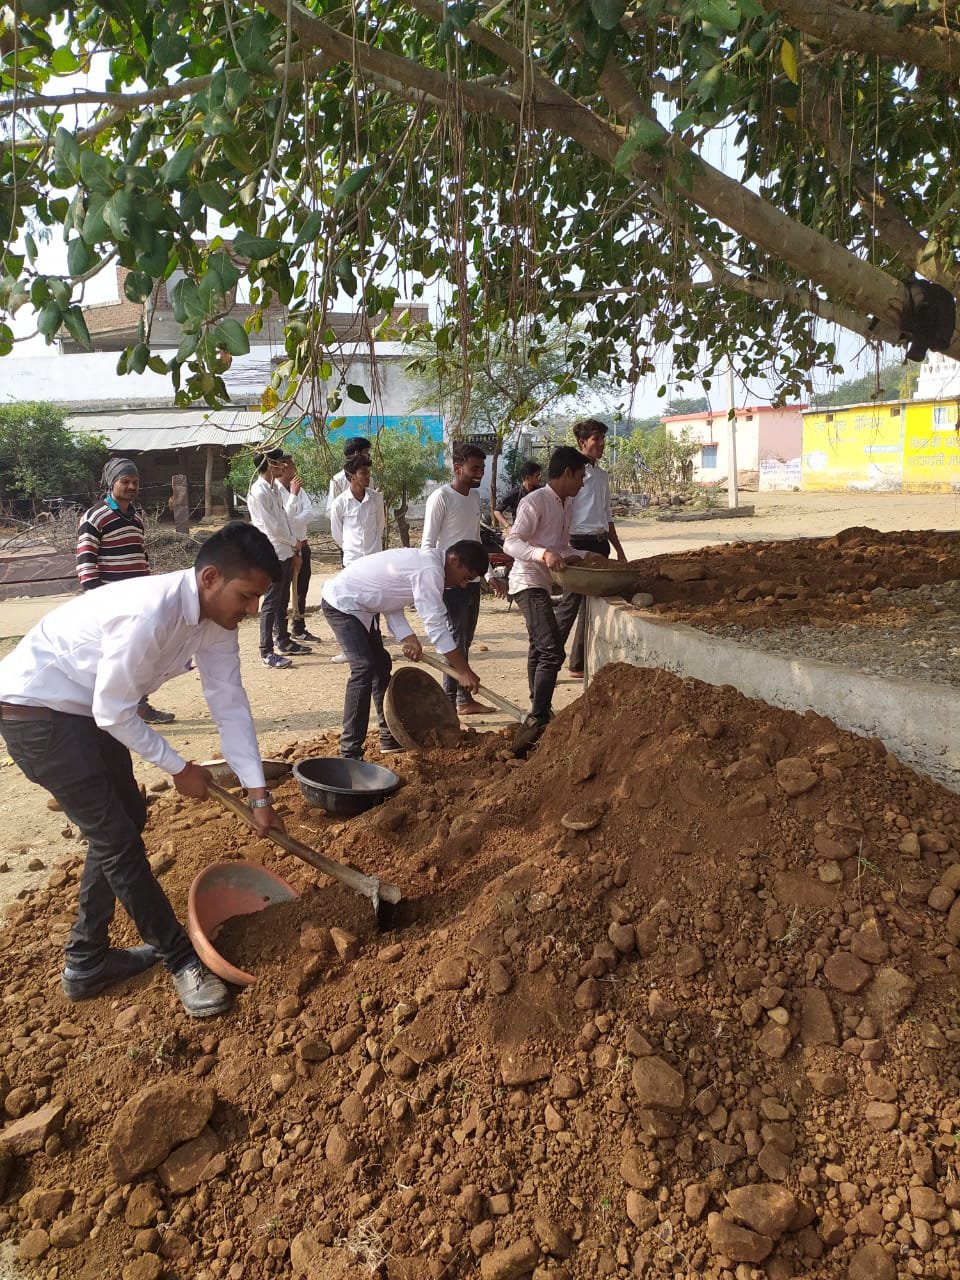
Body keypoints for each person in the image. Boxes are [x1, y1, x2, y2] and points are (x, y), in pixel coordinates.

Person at [0, 522, 285, 1018]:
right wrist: (179, 767)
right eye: (246, 596)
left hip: (83, 710)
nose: (252, 609)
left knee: (126, 818)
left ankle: (86, 962)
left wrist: (258, 793)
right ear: (210, 578)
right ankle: (180, 959)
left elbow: (229, 701)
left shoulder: (215, 621)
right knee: (115, 837)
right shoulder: (150, 613)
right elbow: (113, 711)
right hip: (35, 711)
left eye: (259, 598)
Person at [321, 541, 487, 760]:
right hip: (342, 603)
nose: (463, 585)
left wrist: (409, 639)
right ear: (454, 560)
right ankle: (350, 752)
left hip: (363, 608)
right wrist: (463, 670)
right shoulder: (430, 570)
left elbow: (390, 601)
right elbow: (436, 627)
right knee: (364, 668)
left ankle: (389, 737)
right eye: (465, 577)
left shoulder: (427, 565)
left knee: (381, 667)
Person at [504, 446, 606, 752]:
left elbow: (562, 545)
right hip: (527, 582)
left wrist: (586, 555)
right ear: (567, 473)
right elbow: (511, 543)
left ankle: (538, 709)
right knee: (551, 650)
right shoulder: (534, 502)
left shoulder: (567, 503)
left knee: (540, 647)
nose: (583, 484)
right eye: (580, 477)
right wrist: (543, 554)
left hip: (543, 583)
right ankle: (539, 716)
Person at [76, 457, 175, 725]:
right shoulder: (95, 516)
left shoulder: (136, 518)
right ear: (112, 483)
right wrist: (96, 597)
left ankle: (139, 706)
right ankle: (100, 711)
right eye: (125, 481)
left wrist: (150, 590)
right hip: (110, 600)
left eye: (135, 482)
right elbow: (85, 560)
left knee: (140, 654)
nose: (131, 487)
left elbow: (141, 556)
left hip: (137, 600)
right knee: (110, 656)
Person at [421, 442, 506, 716]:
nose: (480, 473)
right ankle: (450, 704)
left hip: (471, 582)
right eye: (475, 468)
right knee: (454, 644)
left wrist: (489, 574)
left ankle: (461, 701)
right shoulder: (440, 498)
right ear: (458, 468)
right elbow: (427, 545)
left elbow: (476, 541)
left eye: (482, 468)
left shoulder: (474, 497)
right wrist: (436, 581)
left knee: (464, 643)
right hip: (449, 583)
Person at [554, 419, 627, 679]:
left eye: (603, 439)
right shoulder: (573, 473)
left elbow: (607, 515)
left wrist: (618, 549)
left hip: (599, 543)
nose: (602, 444)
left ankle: (577, 663)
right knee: (569, 604)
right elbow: (563, 509)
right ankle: (549, 659)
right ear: (582, 442)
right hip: (577, 542)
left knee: (590, 605)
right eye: (596, 439)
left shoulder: (602, 475)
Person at [246, 447, 307, 668]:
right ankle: (266, 651)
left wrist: (294, 547)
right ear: (270, 465)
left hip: (284, 552)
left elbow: (284, 520)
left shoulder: (273, 489)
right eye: (280, 462)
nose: (284, 466)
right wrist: (293, 541)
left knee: (282, 600)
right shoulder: (259, 492)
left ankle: (283, 640)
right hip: (271, 553)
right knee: (271, 603)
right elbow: (272, 527)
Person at [275, 456, 322, 644]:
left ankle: (299, 627)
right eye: (292, 467)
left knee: (302, 588)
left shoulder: (299, 489)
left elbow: (310, 514)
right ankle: (280, 632)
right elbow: (283, 519)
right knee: (283, 592)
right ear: (282, 469)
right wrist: (293, 496)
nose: (295, 470)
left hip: (303, 544)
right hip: (286, 548)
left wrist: (293, 521)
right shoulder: (276, 490)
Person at [329, 455, 386, 565]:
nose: (368, 476)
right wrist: (350, 548)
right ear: (352, 476)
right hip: (352, 561)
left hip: (374, 558)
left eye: (368, 472)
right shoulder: (339, 503)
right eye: (363, 473)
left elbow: (380, 525)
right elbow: (337, 533)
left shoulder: (376, 499)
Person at [493, 460, 542, 531]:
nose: (540, 478)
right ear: (528, 478)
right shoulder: (514, 493)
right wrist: (508, 526)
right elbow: (497, 511)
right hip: (520, 531)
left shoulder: (541, 492)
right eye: (537, 476)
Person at [328, 436, 373, 509]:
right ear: (356, 453)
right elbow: (331, 509)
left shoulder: (369, 479)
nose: (368, 455)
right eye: (366, 452)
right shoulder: (337, 481)